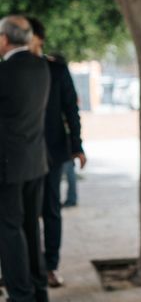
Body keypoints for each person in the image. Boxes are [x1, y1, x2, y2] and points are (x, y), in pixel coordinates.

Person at [27, 17, 86, 288]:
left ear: (38, 37)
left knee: (50, 210)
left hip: (52, 152)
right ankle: (27, 266)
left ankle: (50, 266)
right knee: (23, 212)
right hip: (21, 155)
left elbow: (70, 110)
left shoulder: (56, 69)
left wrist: (77, 145)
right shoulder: (10, 70)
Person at [0, 15, 50, 302]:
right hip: (35, 162)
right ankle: (38, 290)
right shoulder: (42, 66)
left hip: (8, 166)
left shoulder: (5, 72)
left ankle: (20, 295)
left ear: (5, 39)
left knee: (10, 231)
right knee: (31, 228)